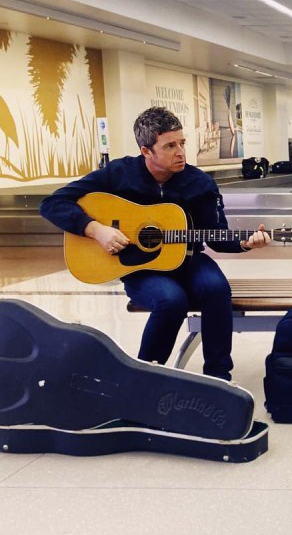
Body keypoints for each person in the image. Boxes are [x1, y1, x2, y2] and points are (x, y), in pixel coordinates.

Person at [40, 107, 271, 381]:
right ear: (146, 151)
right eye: (170, 145)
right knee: (170, 300)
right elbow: (52, 204)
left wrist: (245, 243)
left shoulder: (200, 184)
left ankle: (219, 378)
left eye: (182, 143)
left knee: (216, 288)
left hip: (187, 260)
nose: (181, 152)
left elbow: (216, 237)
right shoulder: (118, 174)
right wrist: (96, 230)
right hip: (139, 266)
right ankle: (146, 378)